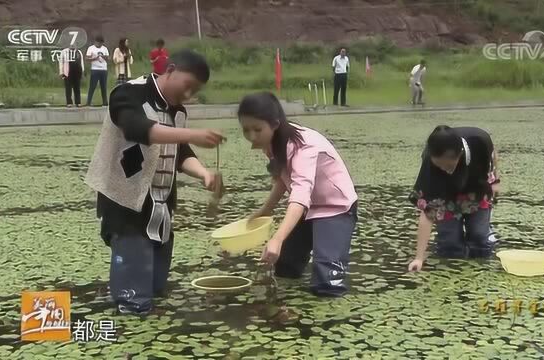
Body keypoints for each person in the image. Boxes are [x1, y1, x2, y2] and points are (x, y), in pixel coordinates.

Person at [85, 49, 226, 314]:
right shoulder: (128, 93)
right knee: (133, 301)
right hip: (126, 203)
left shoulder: (178, 112)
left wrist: (204, 174)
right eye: (187, 86)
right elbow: (136, 128)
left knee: (156, 289)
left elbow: (180, 151)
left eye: (194, 91)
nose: (187, 95)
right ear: (170, 70)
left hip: (160, 208)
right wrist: (193, 134)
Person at [239, 92, 358, 297]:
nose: (252, 137)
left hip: (334, 208)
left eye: (257, 129)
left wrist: (276, 238)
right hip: (306, 208)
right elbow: (284, 178)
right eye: (246, 130)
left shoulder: (304, 146)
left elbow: (301, 194)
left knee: (327, 282)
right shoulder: (272, 142)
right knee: (285, 268)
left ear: (275, 124)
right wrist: (265, 210)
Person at [408, 126, 500, 272]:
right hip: (445, 194)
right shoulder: (430, 163)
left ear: (459, 155)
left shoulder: (480, 141)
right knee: (449, 242)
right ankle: (452, 272)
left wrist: (495, 181)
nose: (444, 169)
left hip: (475, 187)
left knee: (479, 237)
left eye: (448, 165)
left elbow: (492, 157)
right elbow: (428, 214)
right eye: (439, 166)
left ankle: (481, 270)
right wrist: (419, 257)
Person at [86, 35, 110, 106]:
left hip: (103, 69)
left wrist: (104, 57)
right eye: (99, 43)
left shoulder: (105, 48)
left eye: (101, 43)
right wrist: (94, 58)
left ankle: (105, 102)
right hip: (95, 69)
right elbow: (87, 58)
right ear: (96, 42)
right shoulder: (91, 48)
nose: (100, 45)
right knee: (92, 86)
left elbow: (108, 58)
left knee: (103, 86)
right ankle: (88, 102)